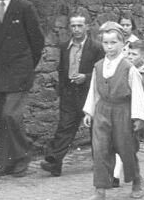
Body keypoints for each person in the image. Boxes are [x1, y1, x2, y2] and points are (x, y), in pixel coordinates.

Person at [0, 0, 45, 177]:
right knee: (3, 117)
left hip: (20, 70)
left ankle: (22, 157)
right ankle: (7, 163)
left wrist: (28, 66)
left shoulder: (24, 7)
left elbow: (38, 40)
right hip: (1, 71)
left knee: (11, 114)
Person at [77, 22, 144, 200]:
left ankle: (136, 180)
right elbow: (94, 90)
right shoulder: (98, 66)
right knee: (100, 150)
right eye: (106, 43)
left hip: (122, 111)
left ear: (122, 44)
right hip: (102, 111)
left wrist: (138, 116)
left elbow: (138, 93)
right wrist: (89, 112)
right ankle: (100, 191)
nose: (109, 47)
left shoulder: (128, 68)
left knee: (126, 148)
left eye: (113, 42)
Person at [41, 13, 104, 176]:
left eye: (80, 26)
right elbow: (61, 70)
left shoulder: (96, 47)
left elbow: (102, 71)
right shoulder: (64, 46)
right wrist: (61, 91)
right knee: (65, 126)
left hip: (89, 93)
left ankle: (101, 163)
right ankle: (55, 163)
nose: (76, 29)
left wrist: (86, 77)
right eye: (73, 26)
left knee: (95, 129)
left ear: (87, 27)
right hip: (69, 92)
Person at [113, 40, 144, 185]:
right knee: (122, 141)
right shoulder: (126, 72)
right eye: (128, 53)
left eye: (134, 54)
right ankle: (116, 175)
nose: (129, 57)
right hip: (128, 112)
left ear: (143, 56)